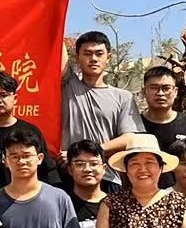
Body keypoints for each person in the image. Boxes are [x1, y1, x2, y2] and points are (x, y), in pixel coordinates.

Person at [61, 31, 144, 183]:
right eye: (87, 54)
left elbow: (129, 138)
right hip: (68, 175)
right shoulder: (69, 86)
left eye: (99, 54)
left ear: (109, 57)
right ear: (77, 58)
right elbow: (57, 42)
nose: (93, 59)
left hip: (107, 177)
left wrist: (83, 155)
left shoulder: (123, 97)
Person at [0, 70, 60, 194]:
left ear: (15, 98)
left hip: (24, 200)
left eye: (3, 95)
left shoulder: (30, 131)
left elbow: (47, 172)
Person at [139, 65, 186, 189]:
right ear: (144, 91)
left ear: (175, 91)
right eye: (154, 88)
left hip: (183, 194)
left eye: (166, 88)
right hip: (142, 194)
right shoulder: (133, 125)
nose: (160, 93)